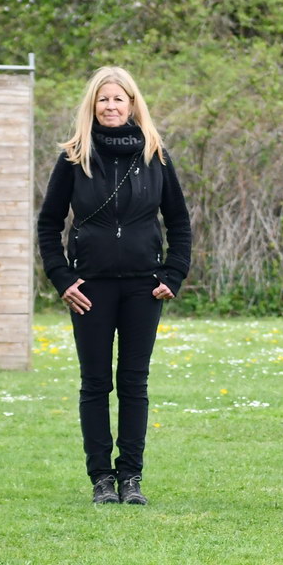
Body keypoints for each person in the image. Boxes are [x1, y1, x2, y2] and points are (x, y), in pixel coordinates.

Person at [37, 66, 192, 506]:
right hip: (89, 288)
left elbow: (178, 221)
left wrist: (173, 273)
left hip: (145, 287)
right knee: (94, 383)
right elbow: (49, 224)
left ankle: (131, 477)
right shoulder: (73, 157)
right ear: (92, 105)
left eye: (118, 99)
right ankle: (101, 478)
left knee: (134, 382)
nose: (110, 106)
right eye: (102, 99)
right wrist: (62, 278)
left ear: (132, 104)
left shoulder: (156, 155)